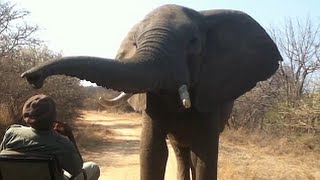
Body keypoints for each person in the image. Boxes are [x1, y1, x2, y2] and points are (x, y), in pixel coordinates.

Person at [0, 94, 100, 180]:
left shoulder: (11, 133)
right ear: (53, 116)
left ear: (26, 115)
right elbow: (77, 170)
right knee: (93, 167)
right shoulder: (61, 143)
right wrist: (70, 137)